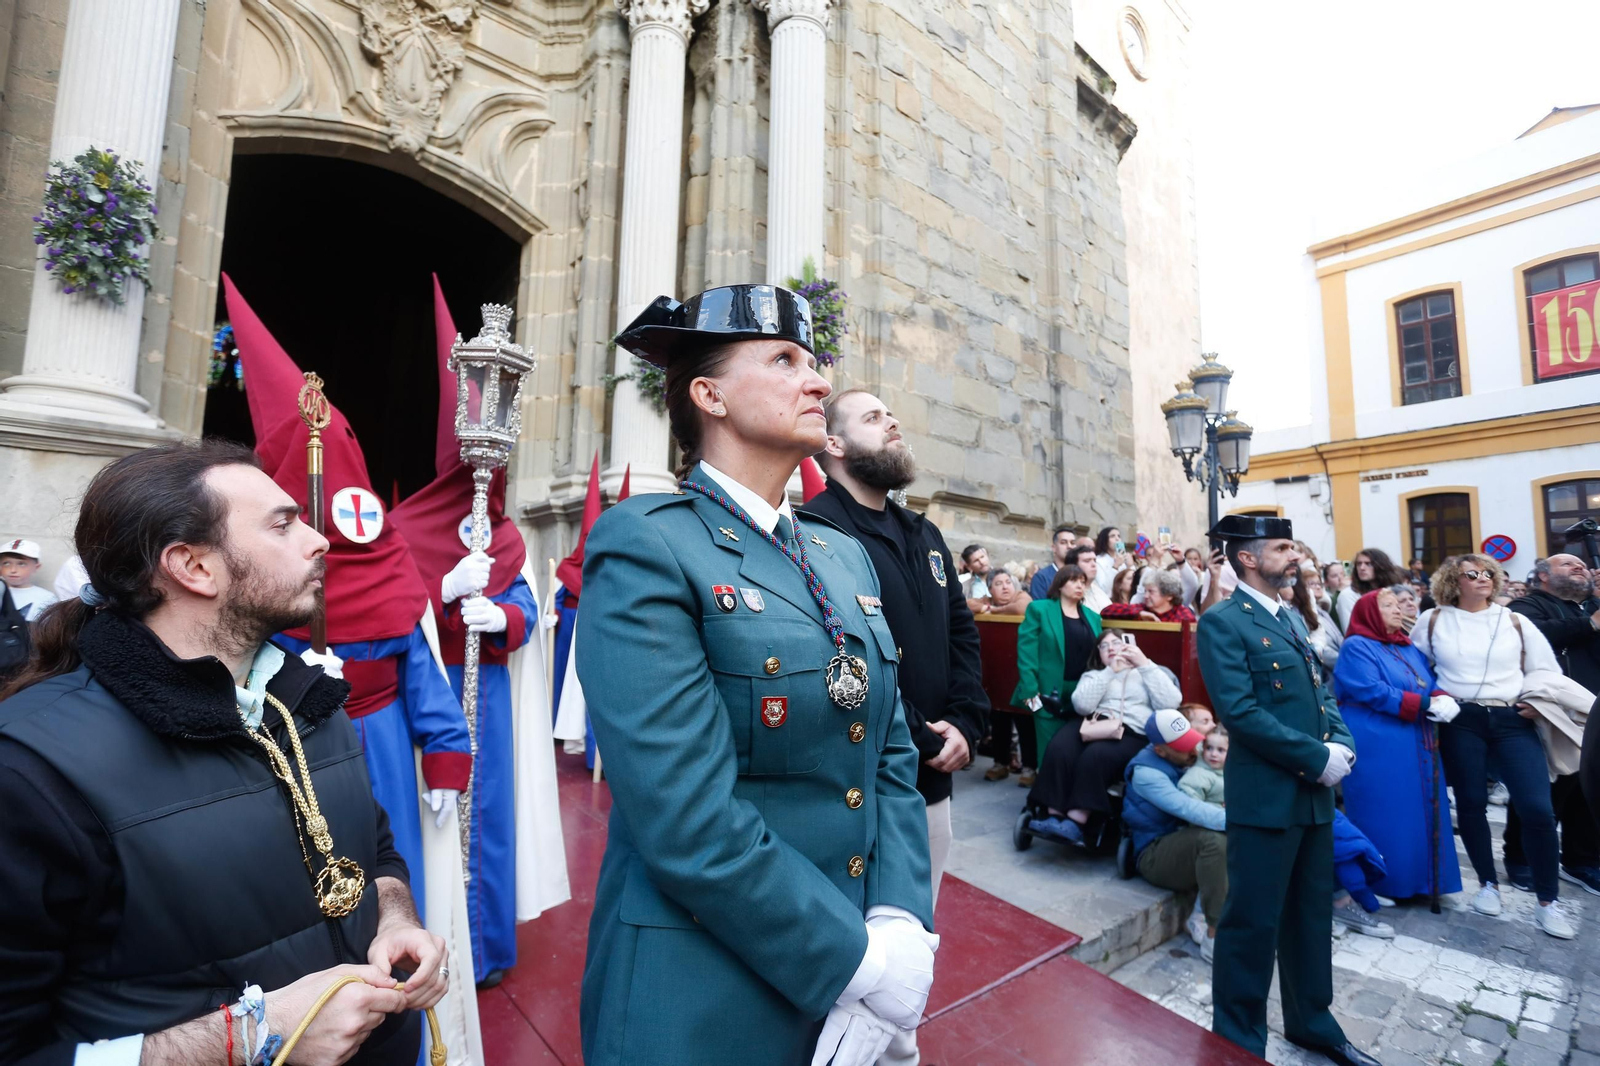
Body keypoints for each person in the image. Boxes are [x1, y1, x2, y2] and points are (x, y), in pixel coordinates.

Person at [576, 285, 936, 1066]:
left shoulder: (840, 555)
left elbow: (890, 760)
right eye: (783, 361)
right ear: (709, 395)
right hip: (706, 988)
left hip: (856, 968)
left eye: (814, 363)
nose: (817, 382)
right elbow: (686, 816)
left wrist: (903, 924)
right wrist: (860, 964)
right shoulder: (647, 545)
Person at [0, 440, 447, 1065]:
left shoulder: (308, 700)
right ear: (193, 566)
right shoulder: (32, 769)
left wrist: (395, 920)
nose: (319, 540)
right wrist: (252, 1037)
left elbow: (371, 849)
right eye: (283, 525)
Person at [225, 277, 472, 929]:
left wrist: (446, 759)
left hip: (384, 743)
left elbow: (423, 679)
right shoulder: (249, 580)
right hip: (288, 752)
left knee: (393, 893)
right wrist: (294, 684)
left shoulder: (389, 568)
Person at [386, 278, 570, 989]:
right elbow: (383, 614)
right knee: (428, 826)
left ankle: (484, 948)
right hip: (425, 701)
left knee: (487, 822)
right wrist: (441, 593)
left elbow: (521, 599)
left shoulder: (498, 528)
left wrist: (504, 617)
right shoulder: (402, 528)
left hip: (487, 695)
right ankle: (426, 943)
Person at [807, 388, 989, 1065]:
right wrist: (921, 732)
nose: (894, 423)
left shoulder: (926, 535)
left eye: (893, 414)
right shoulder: (818, 530)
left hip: (934, 779)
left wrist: (967, 722)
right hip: (859, 777)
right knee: (855, 933)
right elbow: (843, 655)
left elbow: (960, 634)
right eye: (874, 417)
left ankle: (897, 1039)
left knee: (917, 923)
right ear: (835, 445)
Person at [1196, 514, 1374, 1066]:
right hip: (1266, 799)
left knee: (1308, 918)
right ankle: (1238, 1039)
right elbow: (1240, 712)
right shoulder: (1223, 622)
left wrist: (1339, 743)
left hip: (1313, 798)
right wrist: (1315, 757)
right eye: (1282, 547)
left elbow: (1321, 695)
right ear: (1248, 558)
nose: (1294, 555)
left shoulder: (1292, 619)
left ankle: (1311, 1022)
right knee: (1251, 924)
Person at [1412, 554, 1575, 939]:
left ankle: (1547, 901)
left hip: (1512, 720)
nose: (1483, 578)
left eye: (1489, 573)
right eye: (1472, 573)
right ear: (1454, 581)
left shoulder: (1515, 620)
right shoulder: (1433, 620)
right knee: (1470, 804)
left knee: (1537, 808)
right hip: (1461, 720)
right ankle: (1488, 884)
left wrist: (1537, 702)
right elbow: (1417, 668)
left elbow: (1546, 668)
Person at [1331, 591, 1461, 908]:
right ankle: (1382, 881)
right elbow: (1371, 690)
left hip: (1415, 737)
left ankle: (1422, 880)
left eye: (1397, 604)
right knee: (1384, 811)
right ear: (1368, 613)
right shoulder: (1356, 646)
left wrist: (1443, 696)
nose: (1397, 610)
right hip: (1378, 741)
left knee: (1419, 811)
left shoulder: (1405, 644)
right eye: (1386, 605)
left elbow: (1427, 680)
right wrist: (1428, 703)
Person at [1027, 631, 1181, 846]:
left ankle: (1077, 820)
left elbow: (1171, 703)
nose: (1110, 648)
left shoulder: (1151, 671)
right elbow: (1082, 706)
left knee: (1097, 755)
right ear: (1098, 654)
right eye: (1103, 646)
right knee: (1060, 746)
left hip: (1131, 730)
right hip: (1092, 723)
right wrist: (1110, 672)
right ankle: (1053, 814)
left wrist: (1144, 664)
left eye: (1116, 643)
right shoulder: (1095, 675)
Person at [1505, 554, 1600, 896]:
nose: (1579, 567)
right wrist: (1591, 622)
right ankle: (1521, 858)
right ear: (1543, 576)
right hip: (1550, 713)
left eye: (1582, 565)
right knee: (1544, 791)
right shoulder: (1525, 606)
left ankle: (1581, 861)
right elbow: (1537, 639)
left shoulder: (1587, 607)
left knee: (1589, 792)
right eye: (1567, 564)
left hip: (1591, 713)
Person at [1123, 709, 1227, 962]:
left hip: (1184, 838)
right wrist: (1244, 820)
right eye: (1183, 747)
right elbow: (1188, 808)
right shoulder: (1147, 774)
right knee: (1214, 840)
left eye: (1192, 742)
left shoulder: (1188, 757)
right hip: (1154, 852)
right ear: (1160, 751)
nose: (1194, 751)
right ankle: (1214, 937)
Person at [1013, 564, 1103, 789]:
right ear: (1060, 584)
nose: (1079, 585)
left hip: (1082, 693)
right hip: (1045, 691)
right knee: (1049, 748)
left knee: (1075, 745)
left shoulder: (1092, 617)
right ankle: (1046, 797)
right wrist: (1030, 691)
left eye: (1083, 581)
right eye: (1073, 580)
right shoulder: (1040, 609)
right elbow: (1027, 652)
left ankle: (1067, 797)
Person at [1337, 547, 1406, 632]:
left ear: (1381, 566)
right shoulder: (1349, 595)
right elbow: (1351, 629)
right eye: (1359, 564)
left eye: (1368, 564)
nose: (1362, 568)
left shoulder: (1391, 591)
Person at [1288, 564, 1343, 669]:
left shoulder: (1323, 612)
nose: (1318, 587)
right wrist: (1345, 660)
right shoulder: (1296, 611)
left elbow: (1338, 638)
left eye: (1319, 583)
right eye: (1312, 584)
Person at [1101, 568, 1196, 624]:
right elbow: (1106, 611)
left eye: (1151, 592)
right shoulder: (1142, 608)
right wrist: (1138, 614)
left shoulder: (1183, 615)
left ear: (1169, 596)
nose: (1146, 596)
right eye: (1145, 591)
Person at [0, 539, 56, 620]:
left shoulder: (47, 598)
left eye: (21, 564)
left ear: (36, 567)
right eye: (6, 563)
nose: (13, 570)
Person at [1180, 726, 1228, 807]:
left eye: (1220, 750)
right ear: (1203, 748)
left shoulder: (1228, 771)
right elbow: (1191, 807)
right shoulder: (1198, 775)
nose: (1213, 754)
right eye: (1209, 748)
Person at [1029, 524, 1077, 601]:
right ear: (1054, 548)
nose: (1069, 546)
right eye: (1063, 542)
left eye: (1072, 543)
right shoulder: (1042, 577)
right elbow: (1040, 609)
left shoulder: (1080, 576)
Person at [1072, 544, 1113, 614]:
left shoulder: (1099, 591)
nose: (1093, 564)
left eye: (1094, 560)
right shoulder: (1071, 594)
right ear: (1074, 566)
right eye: (1087, 561)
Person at [1093, 526, 1129, 600]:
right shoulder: (1098, 561)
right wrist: (1115, 567)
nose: (1117, 539)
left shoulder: (1122, 560)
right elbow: (1103, 588)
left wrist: (1130, 566)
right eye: (1112, 536)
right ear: (1105, 540)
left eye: (1119, 536)